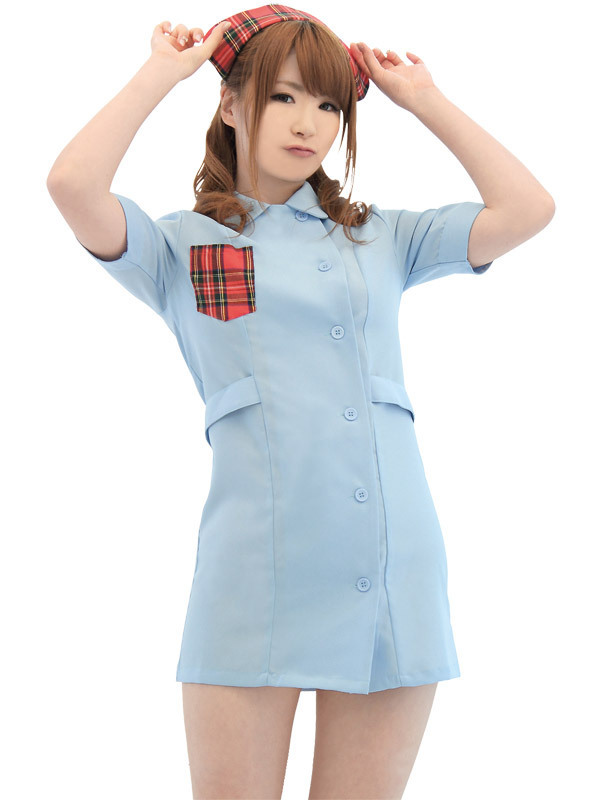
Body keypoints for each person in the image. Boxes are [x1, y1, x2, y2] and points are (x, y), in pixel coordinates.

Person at [46, 5, 555, 798]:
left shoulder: (380, 237)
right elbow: (71, 183)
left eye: (328, 105)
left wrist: (424, 100)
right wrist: (164, 72)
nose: (307, 123)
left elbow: (528, 209)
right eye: (282, 96)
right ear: (230, 104)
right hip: (255, 568)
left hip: (389, 562)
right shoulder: (182, 244)